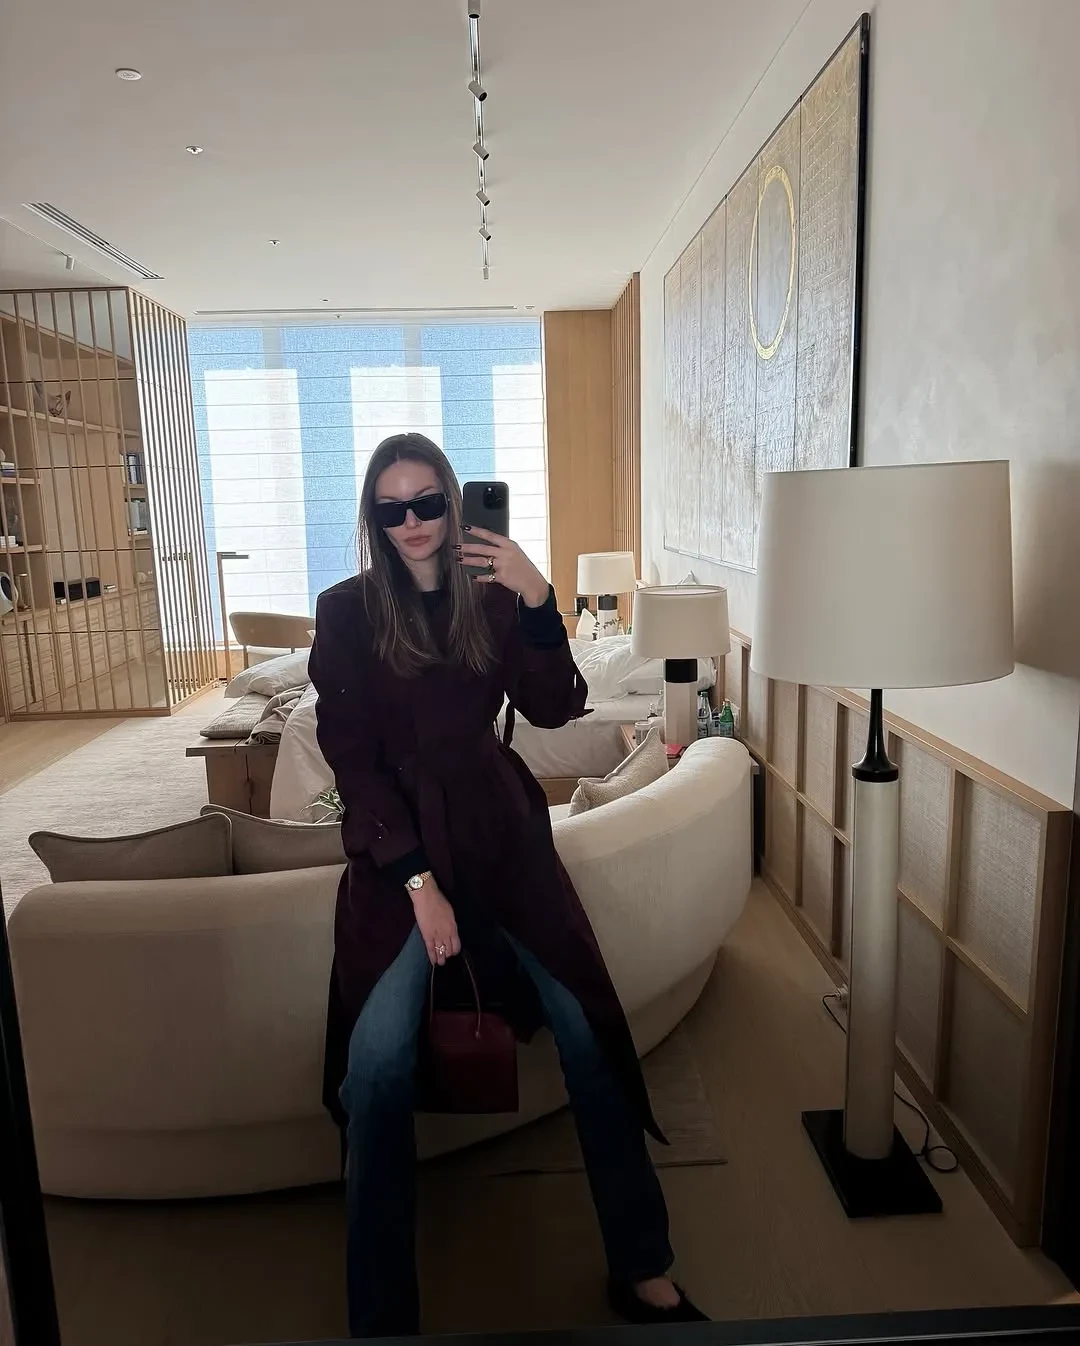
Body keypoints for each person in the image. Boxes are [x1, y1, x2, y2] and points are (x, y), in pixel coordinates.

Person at [309, 432, 706, 1338]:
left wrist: (536, 597)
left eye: (427, 502)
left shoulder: (492, 598)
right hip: (398, 854)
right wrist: (419, 884)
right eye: (391, 508)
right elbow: (354, 764)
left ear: (454, 504)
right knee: (375, 1067)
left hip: (501, 836)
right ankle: (382, 1319)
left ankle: (642, 1266)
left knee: (590, 1027)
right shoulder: (346, 613)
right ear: (373, 518)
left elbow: (557, 704)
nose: (412, 522)